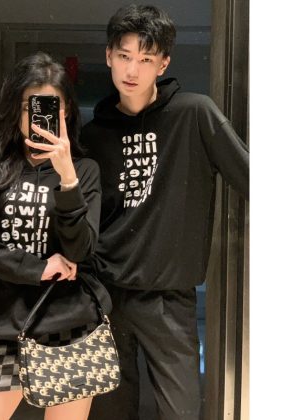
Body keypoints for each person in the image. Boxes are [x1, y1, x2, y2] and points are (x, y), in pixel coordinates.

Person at [80, 4, 249, 420]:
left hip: (168, 299)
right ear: (108, 55)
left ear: (163, 63)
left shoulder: (194, 113)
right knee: (110, 412)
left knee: (180, 411)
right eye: (124, 55)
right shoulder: (92, 135)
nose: (132, 69)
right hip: (105, 296)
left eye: (145, 58)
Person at [0, 52, 111, 420]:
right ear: (14, 107)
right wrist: (36, 268)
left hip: (69, 326)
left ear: (66, 110)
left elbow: (81, 250)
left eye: (51, 107)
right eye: (29, 106)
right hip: (5, 327)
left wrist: (67, 178)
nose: (38, 118)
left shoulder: (83, 171)